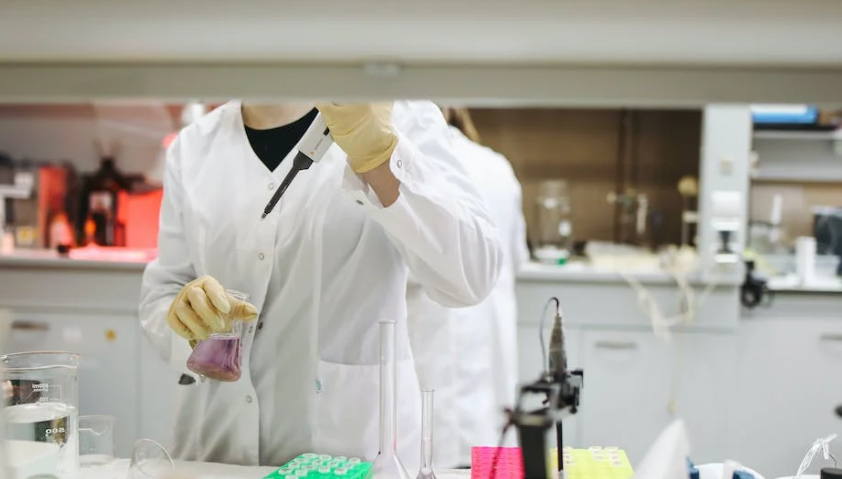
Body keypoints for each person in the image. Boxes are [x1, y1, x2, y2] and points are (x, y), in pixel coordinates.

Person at [138, 101, 503, 467]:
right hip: (217, 454)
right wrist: (185, 317)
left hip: (350, 455)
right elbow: (163, 291)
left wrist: (382, 158)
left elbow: (472, 275)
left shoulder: (399, 116)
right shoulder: (193, 146)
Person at [406, 107, 528, 467]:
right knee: (491, 467)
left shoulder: (405, 163)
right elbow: (516, 258)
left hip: (429, 381)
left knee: (433, 465)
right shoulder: (497, 166)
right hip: (492, 384)